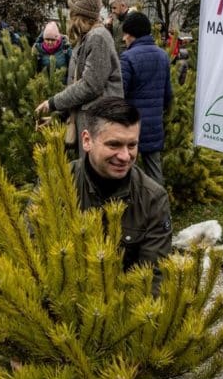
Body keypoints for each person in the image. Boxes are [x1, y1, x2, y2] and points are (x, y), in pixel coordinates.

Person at [73, 97, 172, 292]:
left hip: (126, 305)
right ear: (87, 140)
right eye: (114, 145)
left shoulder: (152, 198)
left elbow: (153, 279)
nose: (125, 156)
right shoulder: (57, 181)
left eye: (132, 145)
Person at [35, 0, 123, 157]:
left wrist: (52, 103)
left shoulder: (98, 38)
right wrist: (59, 116)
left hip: (101, 125)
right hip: (91, 124)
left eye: (72, 11)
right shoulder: (87, 37)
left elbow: (90, 85)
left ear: (79, 14)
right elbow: (77, 84)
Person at [120, 12, 172, 185]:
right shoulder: (163, 56)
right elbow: (168, 94)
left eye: (125, 34)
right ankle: (160, 202)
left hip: (131, 124)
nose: (124, 38)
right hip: (154, 125)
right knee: (154, 171)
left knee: (125, 170)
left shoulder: (127, 58)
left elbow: (120, 93)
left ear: (132, 34)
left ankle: (129, 201)